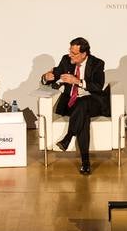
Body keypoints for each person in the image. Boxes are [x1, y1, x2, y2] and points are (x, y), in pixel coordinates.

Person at [41, 37, 108, 175]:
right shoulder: (66, 60)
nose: (70, 55)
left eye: (74, 53)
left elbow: (98, 86)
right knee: (82, 116)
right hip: (72, 103)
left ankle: (69, 137)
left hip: (93, 102)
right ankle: (84, 161)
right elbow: (54, 75)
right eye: (70, 51)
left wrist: (77, 81)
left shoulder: (97, 63)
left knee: (83, 103)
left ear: (84, 54)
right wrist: (46, 77)